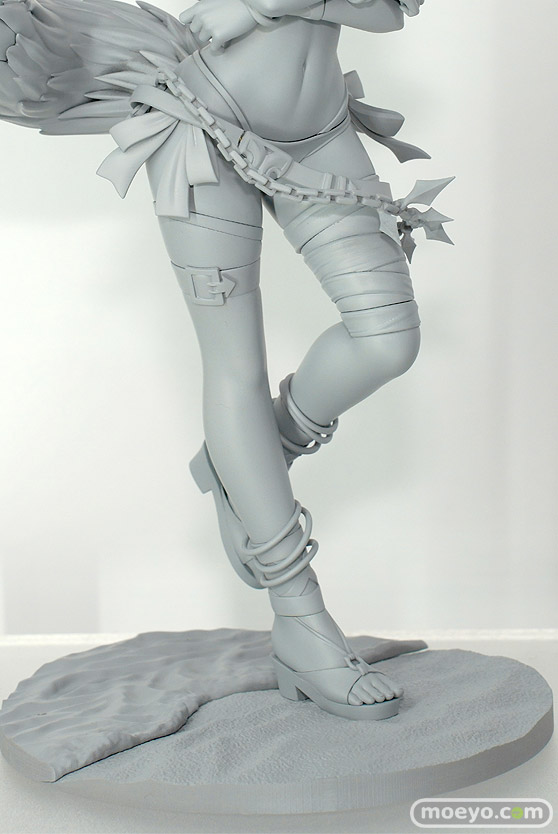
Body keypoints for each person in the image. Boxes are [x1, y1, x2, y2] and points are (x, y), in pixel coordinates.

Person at [0, 0, 450, 719]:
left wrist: (262, 5)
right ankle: (302, 623)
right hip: (201, 121)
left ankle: (248, 461)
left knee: (388, 338)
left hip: (319, 131)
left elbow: (390, 11)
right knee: (236, 367)